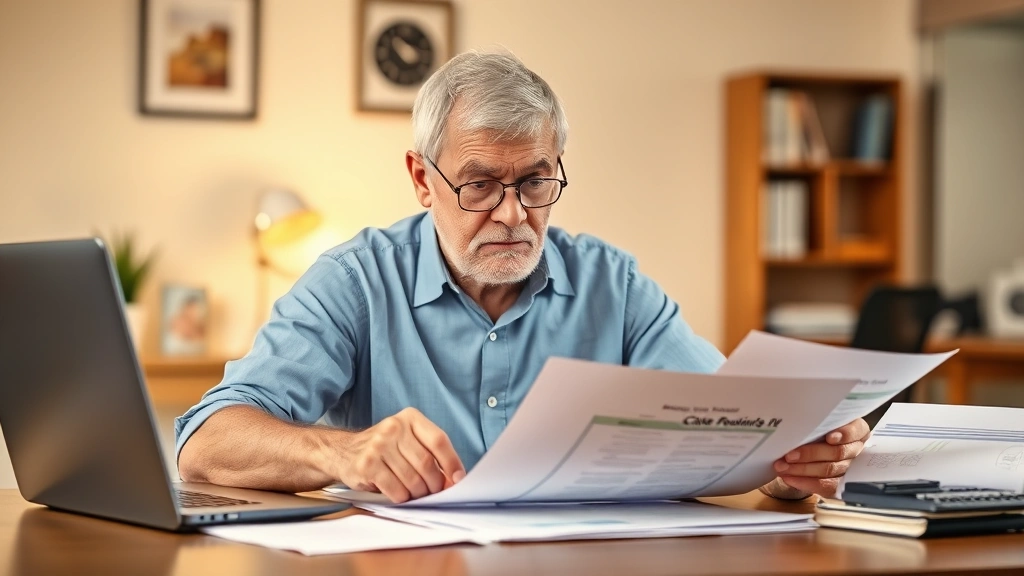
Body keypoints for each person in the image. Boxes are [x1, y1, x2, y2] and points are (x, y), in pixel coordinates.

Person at [176, 50, 868, 503]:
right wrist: (344, 452)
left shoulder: (613, 284)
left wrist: (793, 466)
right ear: (422, 178)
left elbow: (734, 428)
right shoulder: (354, 283)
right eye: (479, 185)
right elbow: (206, 443)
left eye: (537, 182)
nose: (513, 215)